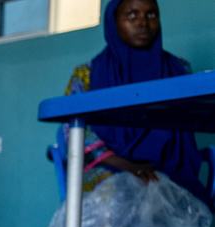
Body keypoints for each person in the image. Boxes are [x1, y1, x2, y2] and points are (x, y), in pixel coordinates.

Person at [63, 0, 206, 205]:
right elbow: (74, 132)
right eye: (131, 15)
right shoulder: (87, 74)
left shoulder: (179, 70)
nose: (143, 23)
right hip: (108, 167)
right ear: (113, 22)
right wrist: (126, 165)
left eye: (151, 15)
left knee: (171, 197)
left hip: (169, 166)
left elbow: (186, 127)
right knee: (120, 196)